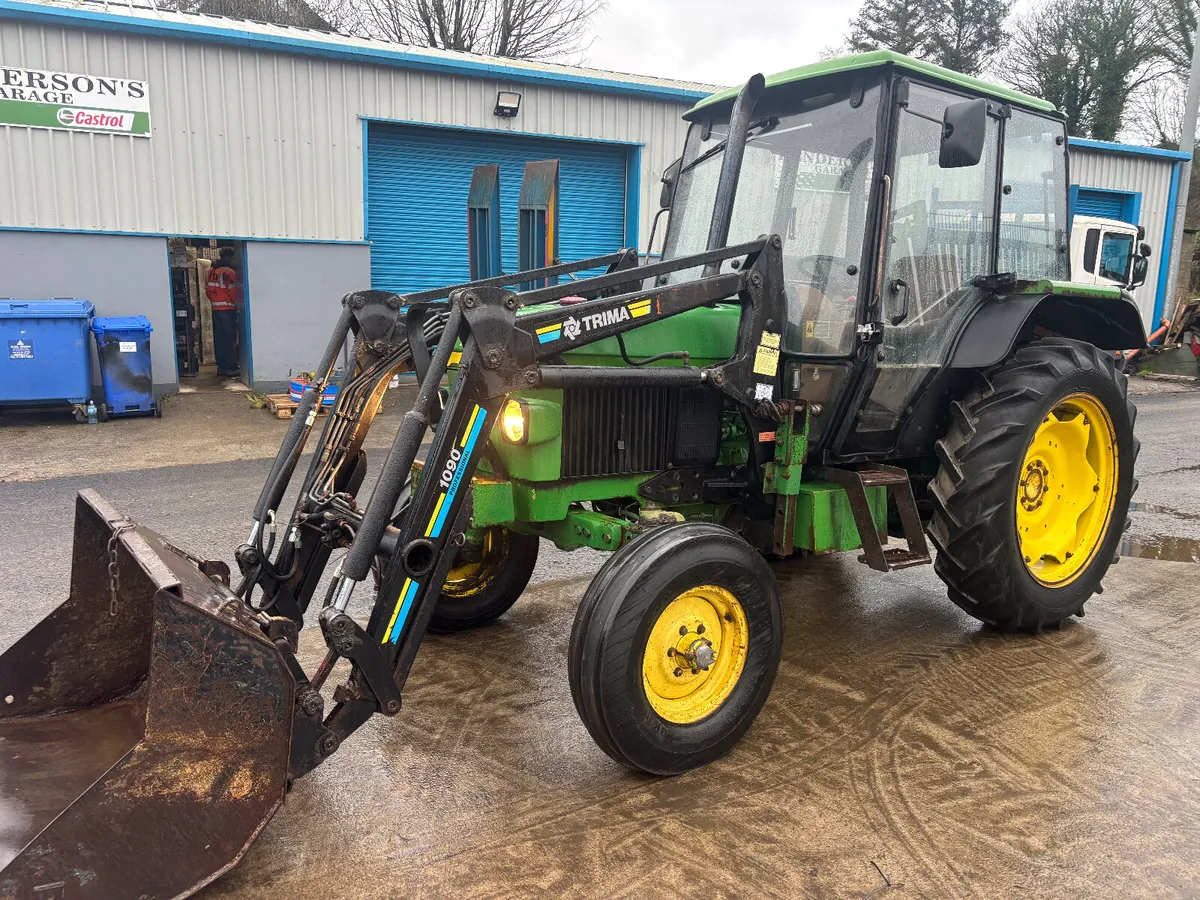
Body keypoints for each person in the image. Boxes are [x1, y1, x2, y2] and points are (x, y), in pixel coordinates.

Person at [206, 247, 241, 378]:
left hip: (216, 309)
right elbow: (233, 292)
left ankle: (221, 367)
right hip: (228, 310)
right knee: (229, 339)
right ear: (231, 257)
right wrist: (239, 306)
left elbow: (207, 290)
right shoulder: (229, 272)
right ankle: (230, 366)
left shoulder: (211, 271)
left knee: (219, 339)